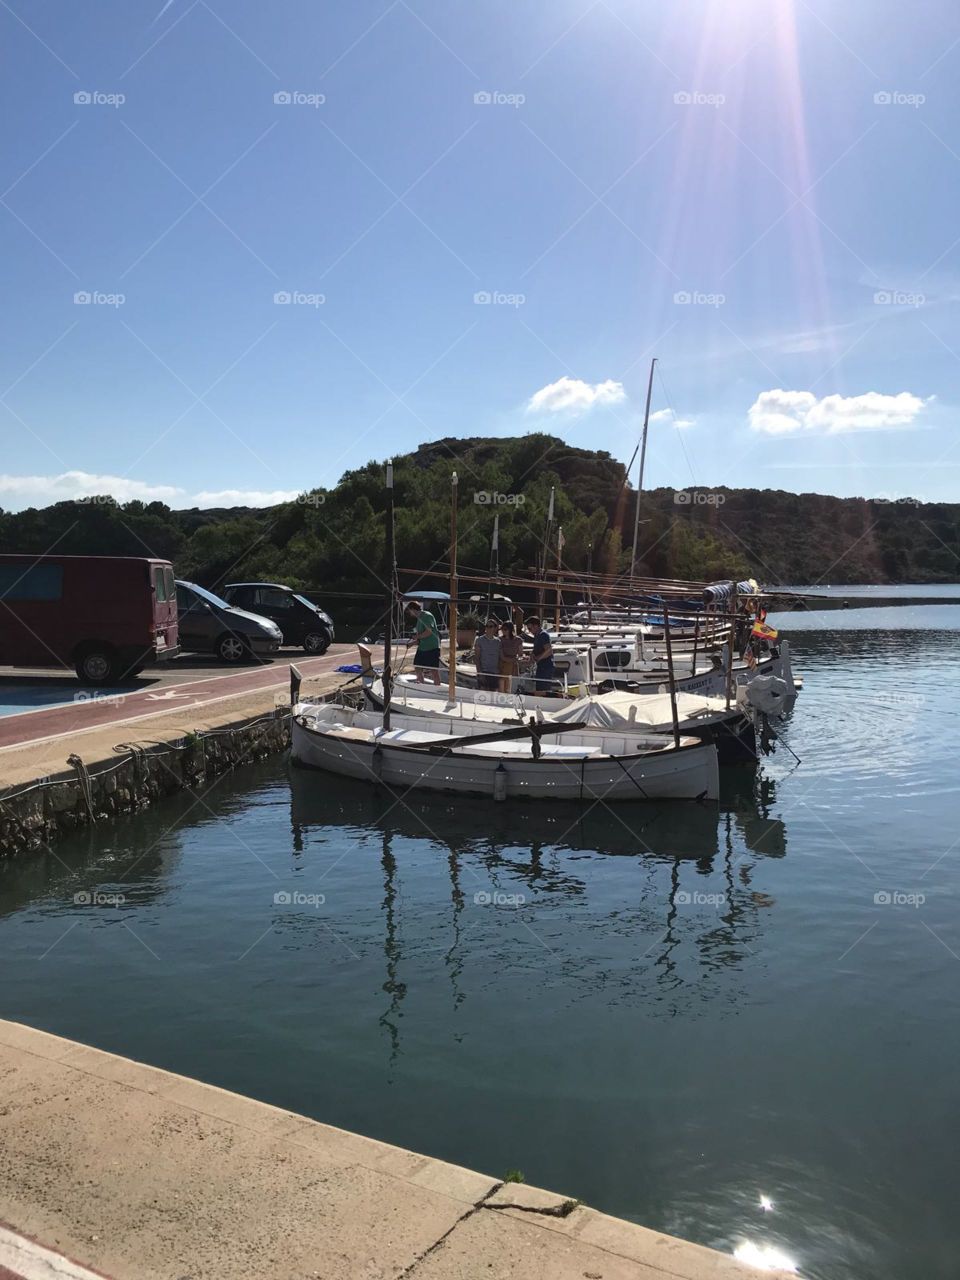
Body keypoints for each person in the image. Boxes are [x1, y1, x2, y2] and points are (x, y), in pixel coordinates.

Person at [405, 600, 441, 684]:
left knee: (434, 671)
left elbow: (429, 631)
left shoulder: (427, 615)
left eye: (409, 611)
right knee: (417, 667)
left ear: (413, 609)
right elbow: (421, 637)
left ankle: (437, 688)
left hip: (432, 647)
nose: (409, 614)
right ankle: (421, 685)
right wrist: (412, 643)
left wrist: (417, 636)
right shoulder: (419, 619)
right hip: (422, 648)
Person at [525, 615, 557, 693]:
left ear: (536, 625)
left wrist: (537, 658)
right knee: (539, 688)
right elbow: (537, 649)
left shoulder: (543, 635)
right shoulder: (537, 635)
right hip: (541, 666)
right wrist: (532, 654)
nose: (529, 631)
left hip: (546, 667)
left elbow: (549, 651)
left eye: (530, 628)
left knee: (543, 690)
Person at [473, 618, 502, 692]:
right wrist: (480, 672)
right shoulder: (479, 640)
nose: (488, 628)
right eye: (487, 626)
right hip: (484, 671)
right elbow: (476, 658)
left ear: (495, 628)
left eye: (491, 626)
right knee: (483, 695)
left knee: (493, 696)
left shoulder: (498, 642)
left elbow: (500, 657)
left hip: (495, 673)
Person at [498, 621, 523, 693]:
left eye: (505, 629)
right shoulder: (500, 640)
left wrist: (519, 658)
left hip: (513, 667)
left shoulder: (518, 640)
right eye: (502, 629)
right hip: (503, 665)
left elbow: (520, 654)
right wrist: (514, 660)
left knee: (512, 688)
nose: (503, 631)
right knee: (502, 689)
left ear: (510, 630)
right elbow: (501, 656)